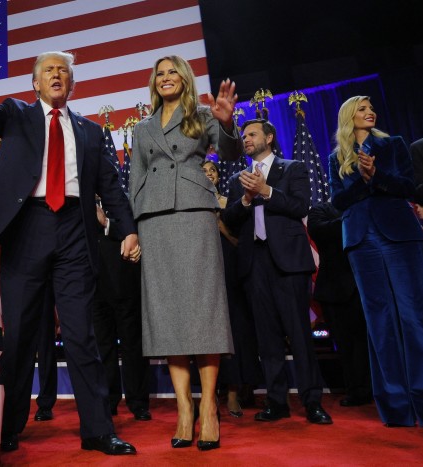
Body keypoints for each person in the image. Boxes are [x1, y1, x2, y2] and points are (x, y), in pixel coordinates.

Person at [0, 31, 140, 455]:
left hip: (76, 231)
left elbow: (111, 188)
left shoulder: (92, 133)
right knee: (19, 335)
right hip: (26, 229)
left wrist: (128, 227)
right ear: (35, 84)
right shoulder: (17, 115)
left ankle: (98, 429)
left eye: (64, 71)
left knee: (82, 334)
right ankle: (7, 427)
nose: (57, 75)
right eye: (49, 71)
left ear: (72, 84)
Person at [129, 55, 240, 451]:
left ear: (185, 78)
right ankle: (183, 409)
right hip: (154, 221)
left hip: (194, 214)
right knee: (169, 316)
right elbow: (135, 178)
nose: (165, 78)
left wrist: (227, 123)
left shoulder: (203, 115)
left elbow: (229, 152)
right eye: (159, 74)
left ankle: (208, 407)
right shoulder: (141, 128)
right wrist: (133, 228)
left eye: (172, 72)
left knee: (202, 312)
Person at [222, 119, 332, 426]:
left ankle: (312, 402)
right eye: (243, 136)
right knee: (267, 339)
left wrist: (266, 191)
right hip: (254, 265)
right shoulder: (238, 180)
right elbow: (229, 219)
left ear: (269, 138)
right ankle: (276, 401)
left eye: (252, 134)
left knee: (299, 334)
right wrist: (245, 199)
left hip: (289, 263)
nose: (246, 139)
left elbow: (300, 206)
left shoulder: (293, 168)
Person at [328, 96, 423, 427]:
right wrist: (362, 178)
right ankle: (396, 406)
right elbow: (337, 200)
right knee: (379, 322)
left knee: (413, 317)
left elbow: (408, 187)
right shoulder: (337, 157)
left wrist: (377, 176)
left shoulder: (393, 144)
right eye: (362, 108)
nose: (370, 112)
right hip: (360, 240)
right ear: (348, 116)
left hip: (400, 236)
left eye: (371, 108)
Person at [202, 160, 260, 417]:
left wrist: (220, 225)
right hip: (202, 272)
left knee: (235, 329)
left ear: (218, 176)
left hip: (230, 271)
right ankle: (210, 394)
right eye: (202, 171)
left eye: (212, 170)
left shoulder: (229, 202)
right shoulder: (191, 205)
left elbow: (240, 241)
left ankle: (235, 392)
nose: (208, 174)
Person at [307, 201, 372, 407]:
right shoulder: (320, 210)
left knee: (368, 343)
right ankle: (355, 390)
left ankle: (373, 388)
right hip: (334, 290)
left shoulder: (367, 206)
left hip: (367, 287)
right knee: (345, 345)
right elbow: (319, 232)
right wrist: (353, 217)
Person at [93, 199, 150, 421]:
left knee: (132, 346)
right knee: (103, 347)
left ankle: (138, 402)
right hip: (94, 288)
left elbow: (134, 231)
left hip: (125, 284)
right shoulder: (79, 203)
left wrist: (106, 221)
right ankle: (109, 401)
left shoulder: (122, 201)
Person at [34, 288, 58, 422]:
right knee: (18, 342)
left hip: (44, 284)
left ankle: (45, 404)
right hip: (18, 280)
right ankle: (15, 405)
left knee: (45, 346)